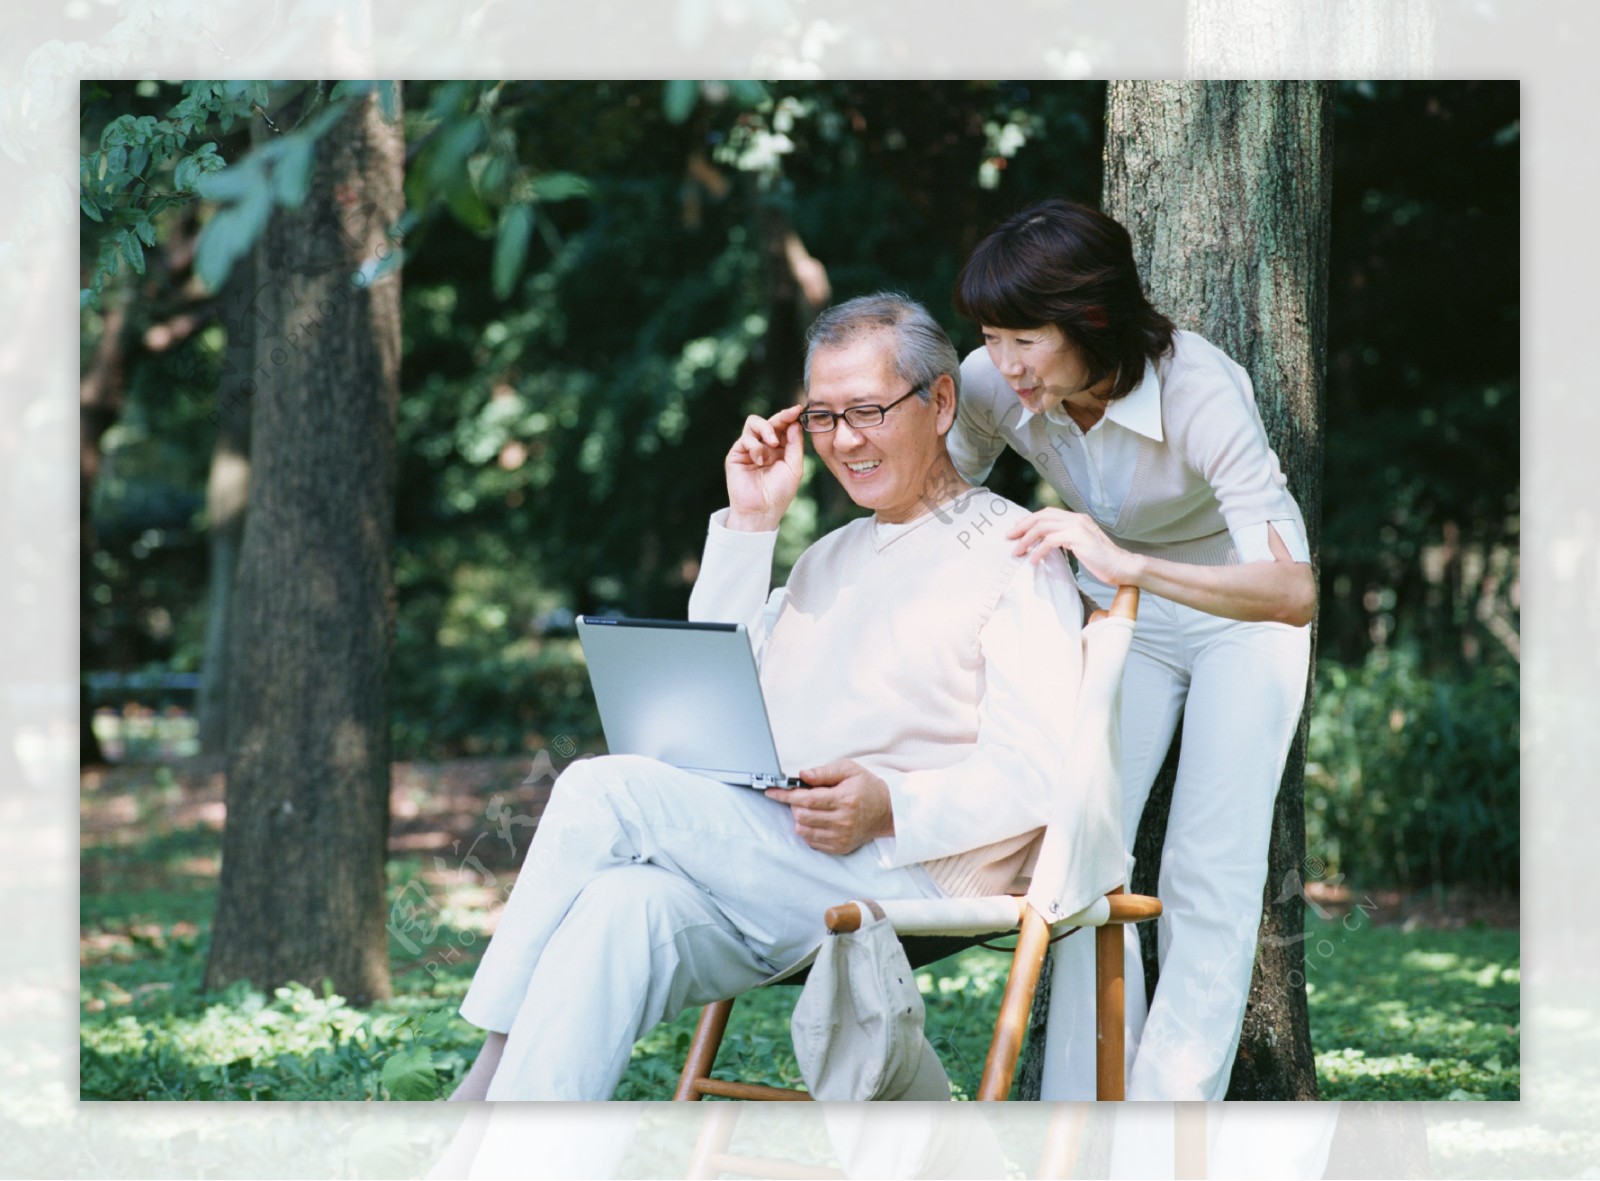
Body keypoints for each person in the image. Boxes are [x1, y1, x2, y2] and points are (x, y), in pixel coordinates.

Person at [446, 292, 1122, 1101]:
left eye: (867, 410)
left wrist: (890, 804)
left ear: (940, 402)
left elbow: (1042, 769)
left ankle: (478, 1081)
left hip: (906, 876)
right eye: (824, 417)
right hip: (775, 859)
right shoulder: (821, 559)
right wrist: (751, 522)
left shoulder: (1016, 551)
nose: (844, 441)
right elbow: (709, 706)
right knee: (618, 908)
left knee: (599, 785)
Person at [949, 198, 1316, 1102]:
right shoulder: (994, 385)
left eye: (1024, 339)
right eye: (992, 337)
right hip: (1119, 616)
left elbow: (1293, 592)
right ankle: (1080, 1113)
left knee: (1207, 865)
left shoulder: (1198, 387)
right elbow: (940, 501)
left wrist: (1126, 562)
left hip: (1241, 611)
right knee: (1080, 849)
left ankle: (1166, 1124)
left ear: (1094, 317)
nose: (1004, 364)